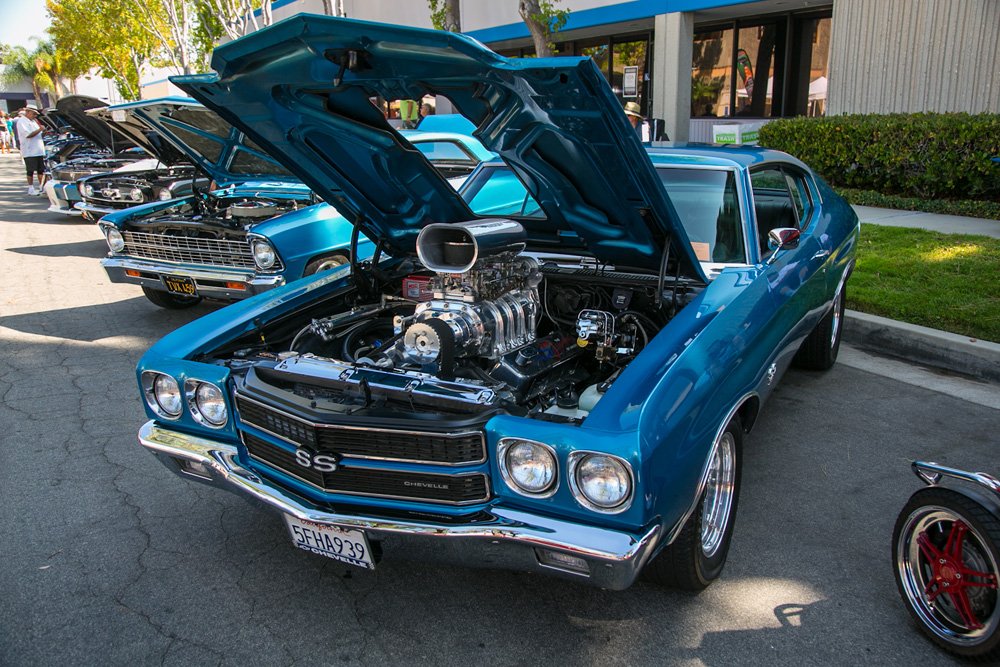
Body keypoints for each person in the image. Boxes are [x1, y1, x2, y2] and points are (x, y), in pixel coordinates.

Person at [15, 106, 47, 195]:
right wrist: (40, 130)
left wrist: (43, 132)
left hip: (38, 149)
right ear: (28, 112)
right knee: (30, 170)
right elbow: (28, 135)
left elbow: (39, 134)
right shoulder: (22, 121)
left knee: (41, 170)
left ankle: (41, 187)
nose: (35, 116)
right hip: (29, 150)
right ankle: (31, 188)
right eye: (34, 114)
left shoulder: (33, 121)